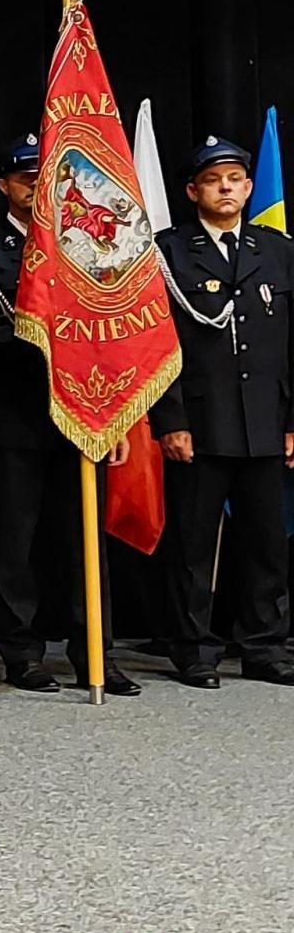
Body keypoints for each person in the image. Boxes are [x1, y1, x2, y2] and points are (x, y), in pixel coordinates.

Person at [0, 135, 141, 696]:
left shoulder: (87, 242)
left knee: (85, 541)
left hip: (85, 412)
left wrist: (117, 412)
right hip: (17, 414)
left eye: (44, 173)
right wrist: (52, 338)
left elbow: (116, 328)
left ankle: (95, 655)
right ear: (4, 186)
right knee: (16, 545)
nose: (36, 184)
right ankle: (22, 654)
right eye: (24, 176)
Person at [152, 135, 294, 688]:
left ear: (250, 187)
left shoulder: (278, 250)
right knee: (193, 543)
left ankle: (264, 645)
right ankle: (194, 647)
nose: (226, 188)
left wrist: (291, 422)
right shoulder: (168, 252)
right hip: (200, 420)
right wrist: (170, 420)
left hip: (263, 418)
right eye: (214, 180)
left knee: (265, 542)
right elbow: (156, 345)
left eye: (235, 179)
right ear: (193, 191)